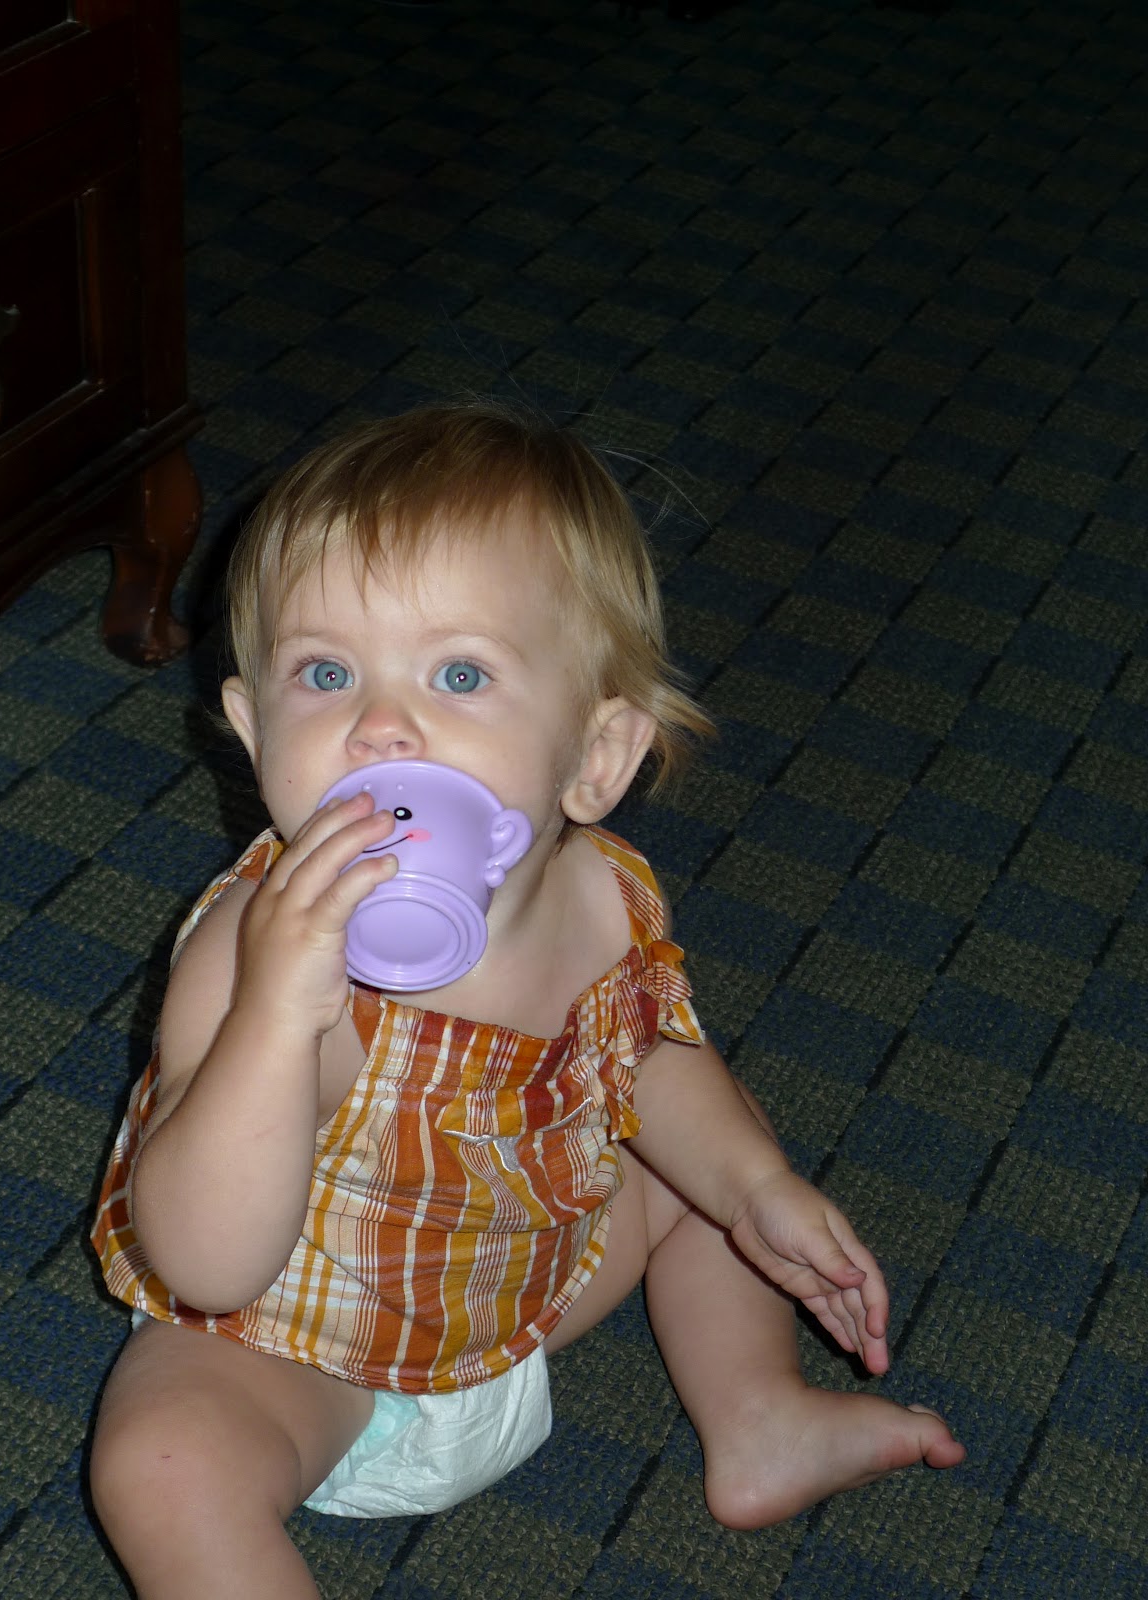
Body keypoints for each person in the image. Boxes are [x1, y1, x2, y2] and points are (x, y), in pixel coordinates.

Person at [89, 400, 964, 1597]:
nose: (380, 725)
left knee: (713, 1144)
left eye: (460, 673)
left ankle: (760, 1412)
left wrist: (756, 1189)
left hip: (529, 1288)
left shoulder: (605, 897)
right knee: (162, 1464)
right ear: (251, 729)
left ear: (594, 759)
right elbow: (206, 1264)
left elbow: (644, 1056)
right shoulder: (256, 950)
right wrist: (278, 1019)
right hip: (299, 1357)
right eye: (325, 673)